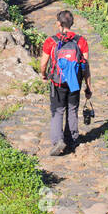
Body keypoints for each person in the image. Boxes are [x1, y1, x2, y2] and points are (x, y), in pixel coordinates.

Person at [40, 10, 91, 155]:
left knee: (58, 111)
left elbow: (43, 64)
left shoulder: (51, 41)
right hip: (75, 82)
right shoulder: (81, 41)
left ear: (58, 23)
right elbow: (85, 67)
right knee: (72, 109)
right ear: (72, 23)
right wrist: (88, 87)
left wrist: (44, 75)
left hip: (57, 83)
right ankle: (71, 140)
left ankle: (58, 141)